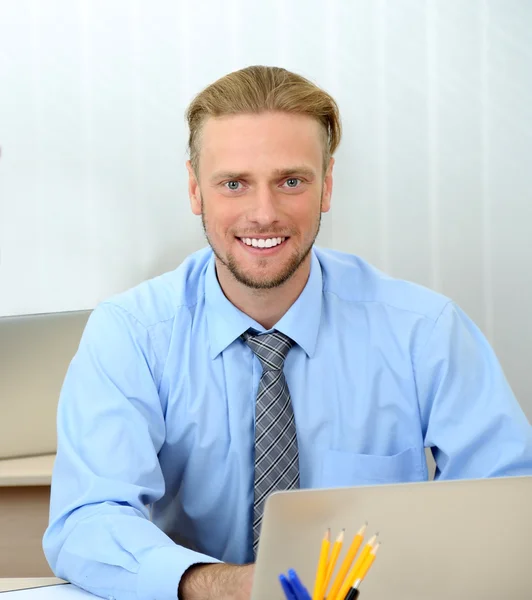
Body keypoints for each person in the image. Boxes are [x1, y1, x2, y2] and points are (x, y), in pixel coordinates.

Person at [43, 65, 532, 600]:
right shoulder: (131, 334)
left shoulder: (426, 331)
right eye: (234, 184)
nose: (263, 213)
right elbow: (89, 519)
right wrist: (229, 586)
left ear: (326, 186)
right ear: (194, 190)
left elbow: (506, 507)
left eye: (291, 181)